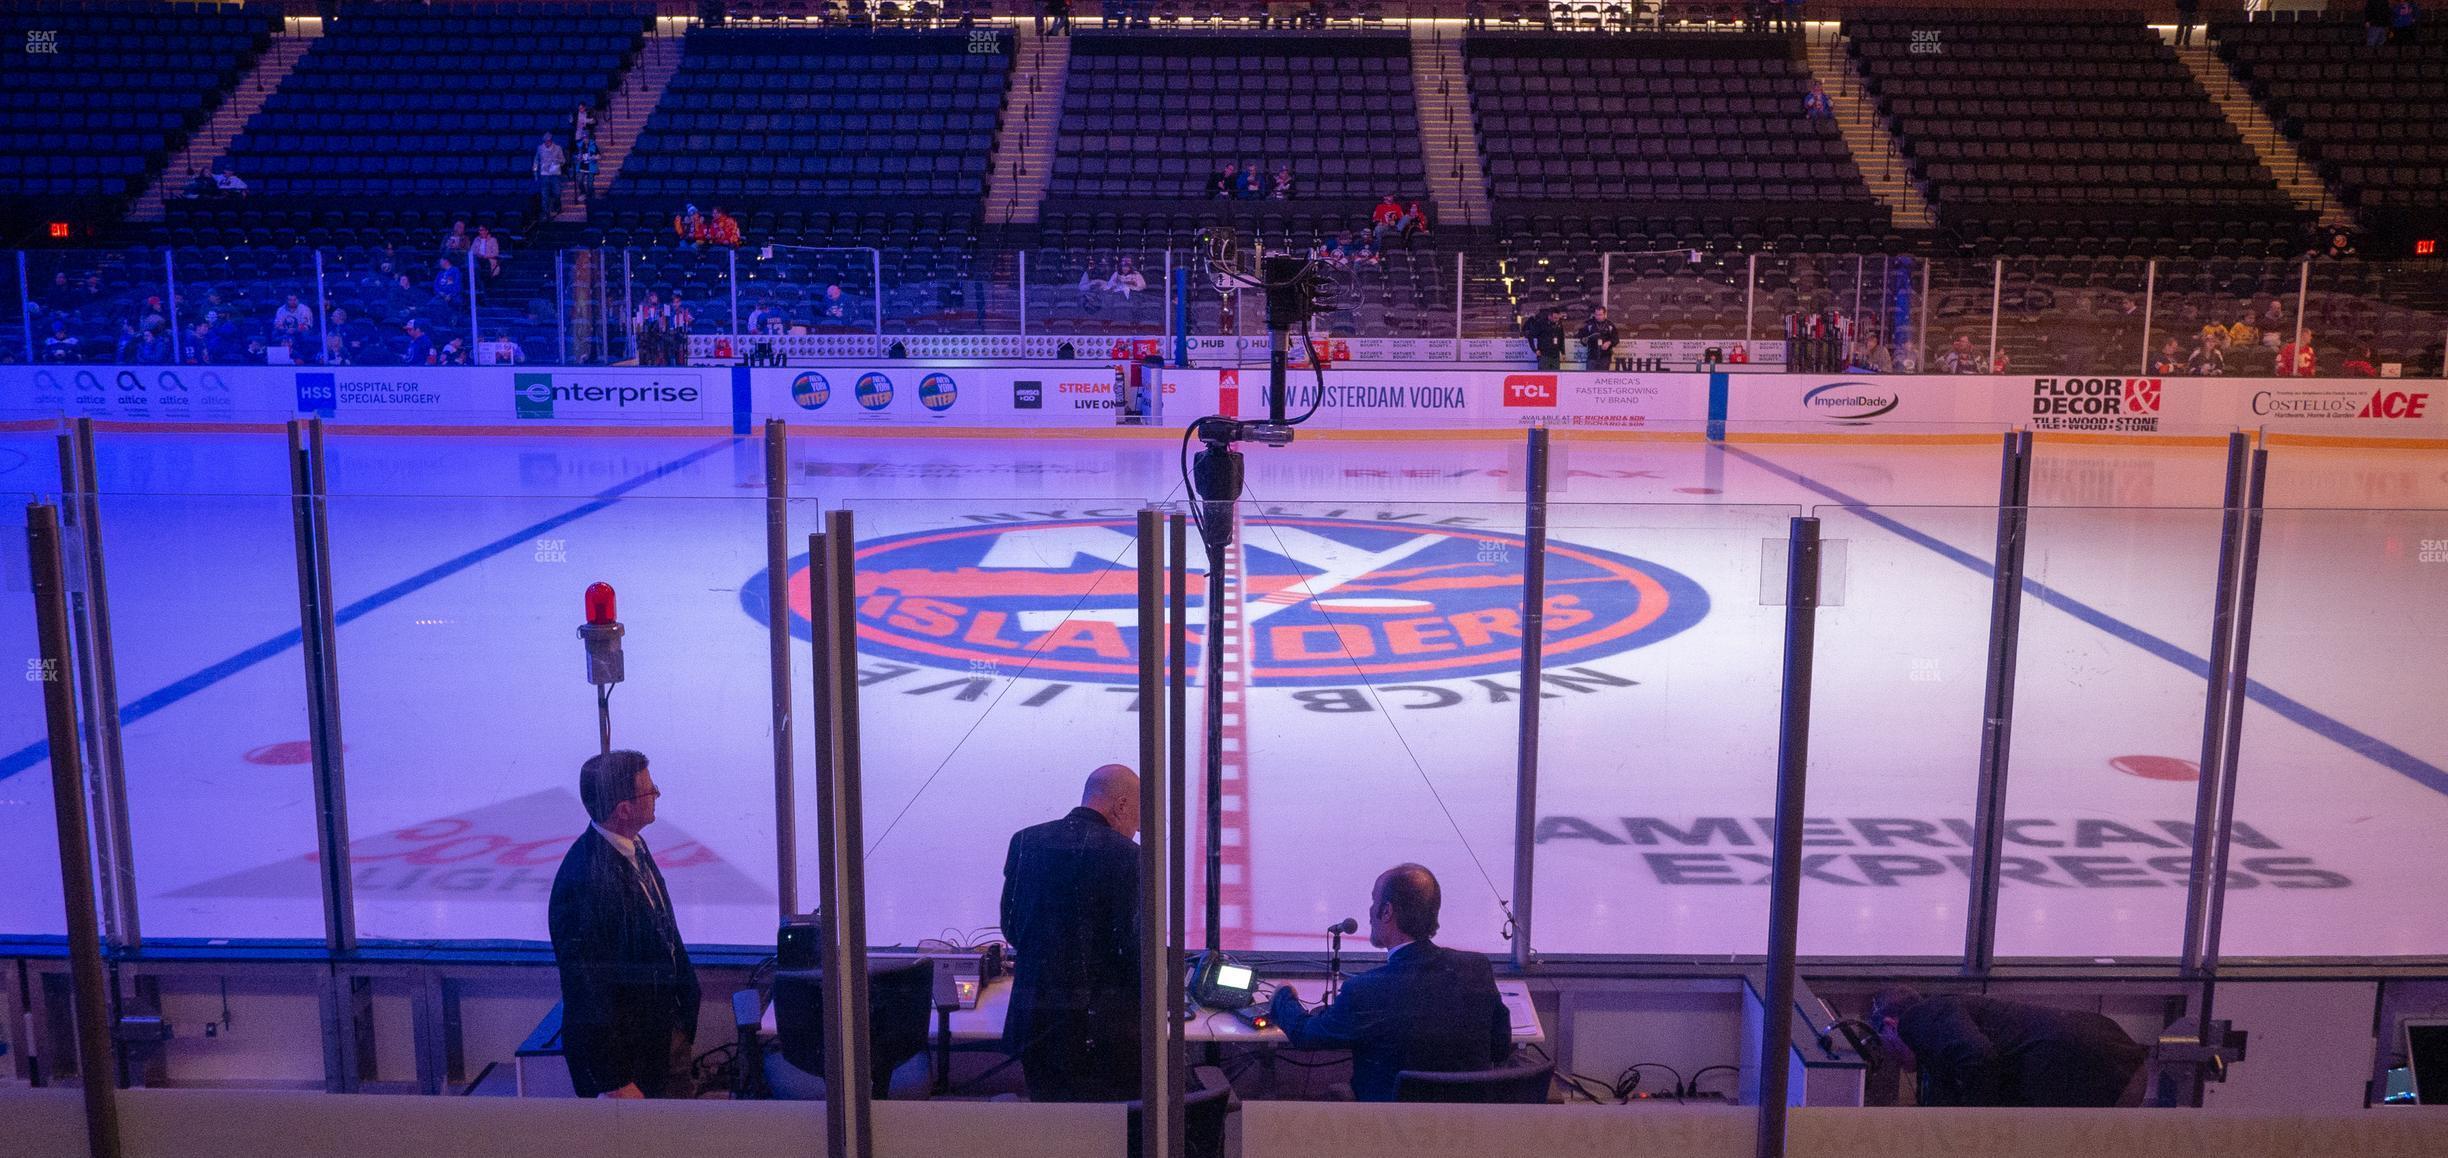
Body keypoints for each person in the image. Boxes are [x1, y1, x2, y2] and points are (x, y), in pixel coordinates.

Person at [1268, 864, 1509, 1103]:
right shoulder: (1476, 968)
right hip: (1468, 1130)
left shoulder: (1365, 990)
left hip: (1385, 1133)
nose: (1370, 910)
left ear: (1386, 912)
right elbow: (1500, 1047)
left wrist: (1283, 997)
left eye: (1374, 901)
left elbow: (1305, 1035)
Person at [549, 750, 701, 1100]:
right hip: (627, 1070)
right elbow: (586, 988)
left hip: (660, 1040)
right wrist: (613, 1079)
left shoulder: (631, 845)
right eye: (649, 791)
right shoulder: (583, 881)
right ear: (624, 810)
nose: (657, 794)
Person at [1000, 764, 1142, 1102]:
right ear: (1120, 806)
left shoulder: (1025, 841)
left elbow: (1011, 926)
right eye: (1136, 817)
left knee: (1051, 1126)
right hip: (1100, 1035)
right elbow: (1133, 949)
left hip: (1037, 1027)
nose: (1136, 830)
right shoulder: (1129, 857)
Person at [1866, 986, 2145, 1108]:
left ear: (1891, 1025)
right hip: (2111, 1060)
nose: (1890, 1057)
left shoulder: (1920, 1017)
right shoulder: (1945, 1022)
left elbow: (1978, 1058)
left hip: (2098, 1070)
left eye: (1884, 1044)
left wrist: (1980, 1129)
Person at [533, 133, 567, 215]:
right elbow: (536, 161)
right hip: (544, 175)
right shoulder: (540, 148)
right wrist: (535, 172)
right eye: (545, 141)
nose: (546, 143)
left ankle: (557, 207)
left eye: (548, 141)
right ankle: (545, 212)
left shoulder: (558, 148)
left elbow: (563, 160)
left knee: (557, 193)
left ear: (551, 141)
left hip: (555, 174)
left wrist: (556, 161)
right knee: (544, 194)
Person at [1578, 306, 1619, 370]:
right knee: (1589, 377)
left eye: (1600, 315)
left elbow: (1616, 339)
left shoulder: (1610, 325)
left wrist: (1609, 342)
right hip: (1592, 356)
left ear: (1605, 314)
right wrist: (1583, 340)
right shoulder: (1589, 324)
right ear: (1594, 314)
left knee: (1603, 377)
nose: (1598, 317)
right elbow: (1581, 337)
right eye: (1596, 315)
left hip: (1605, 356)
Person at [1525, 306, 1565, 371]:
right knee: (1544, 376)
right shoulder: (1540, 324)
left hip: (1555, 356)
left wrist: (1563, 352)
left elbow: (1561, 338)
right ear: (1549, 316)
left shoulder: (1559, 324)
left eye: (1558, 318)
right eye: (1555, 318)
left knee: (1555, 376)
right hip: (1544, 355)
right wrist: (1535, 350)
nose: (1557, 320)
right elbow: (1530, 336)